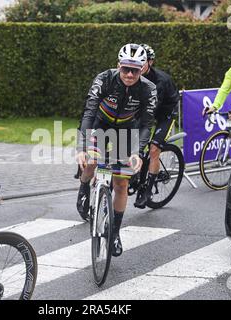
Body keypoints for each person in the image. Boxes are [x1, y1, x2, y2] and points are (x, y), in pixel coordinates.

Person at [76, 43, 157, 257]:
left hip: (127, 131)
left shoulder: (148, 88)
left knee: (121, 184)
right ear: (118, 66)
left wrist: (137, 152)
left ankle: (115, 233)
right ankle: (84, 186)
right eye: (125, 69)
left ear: (143, 69)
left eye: (135, 70)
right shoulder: (103, 79)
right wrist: (82, 147)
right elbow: (89, 110)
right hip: (100, 124)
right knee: (91, 162)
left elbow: (147, 124)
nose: (130, 74)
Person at [134, 44, 180, 209]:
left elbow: (149, 111)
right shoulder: (131, 74)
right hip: (148, 112)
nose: (138, 66)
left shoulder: (160, 81)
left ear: (150, 62)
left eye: (143, 62)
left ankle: (147, 190)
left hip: (165, 113)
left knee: (154, 149)